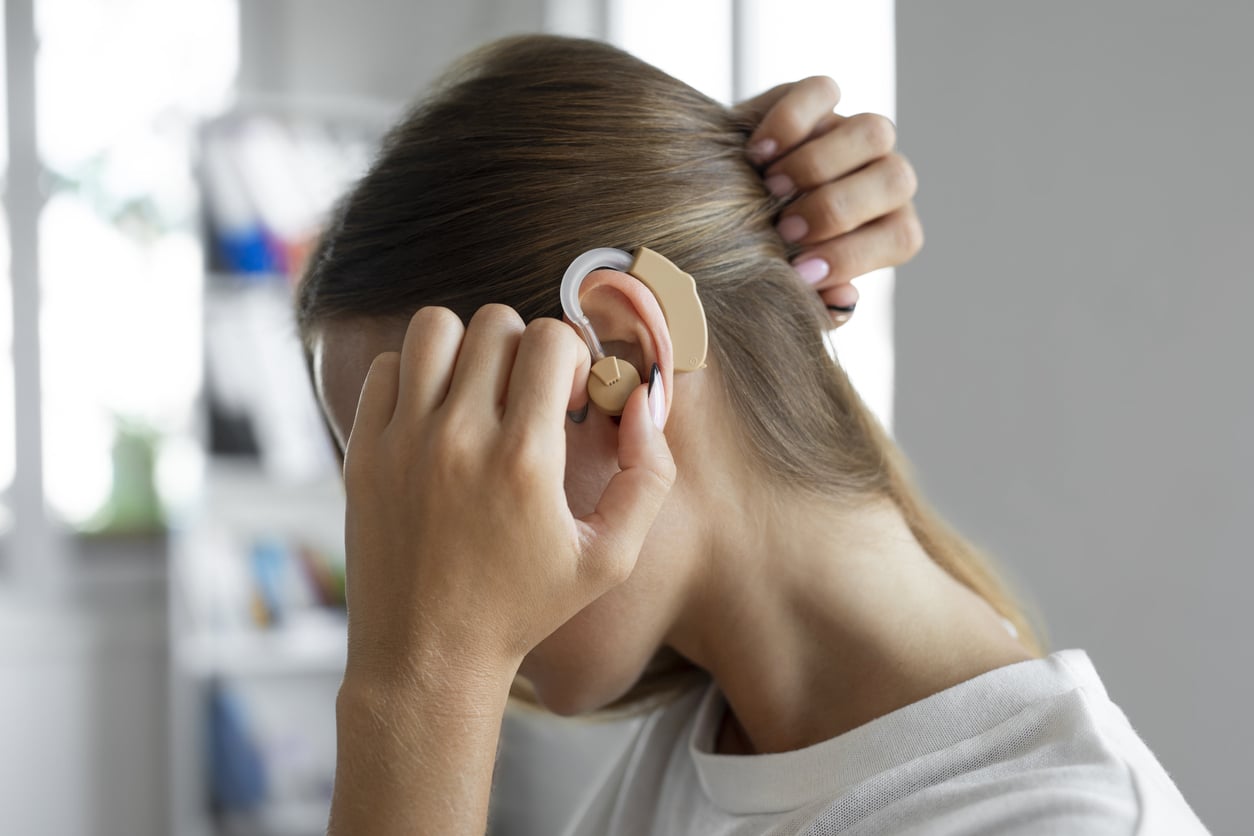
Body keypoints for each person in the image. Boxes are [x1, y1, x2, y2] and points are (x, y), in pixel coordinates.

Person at [297, 35, 1208, 836]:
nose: (398, 544)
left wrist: (422, 682)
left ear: (621, 367)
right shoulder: (712, 750)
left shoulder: (1049, 825)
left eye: (429, 463)